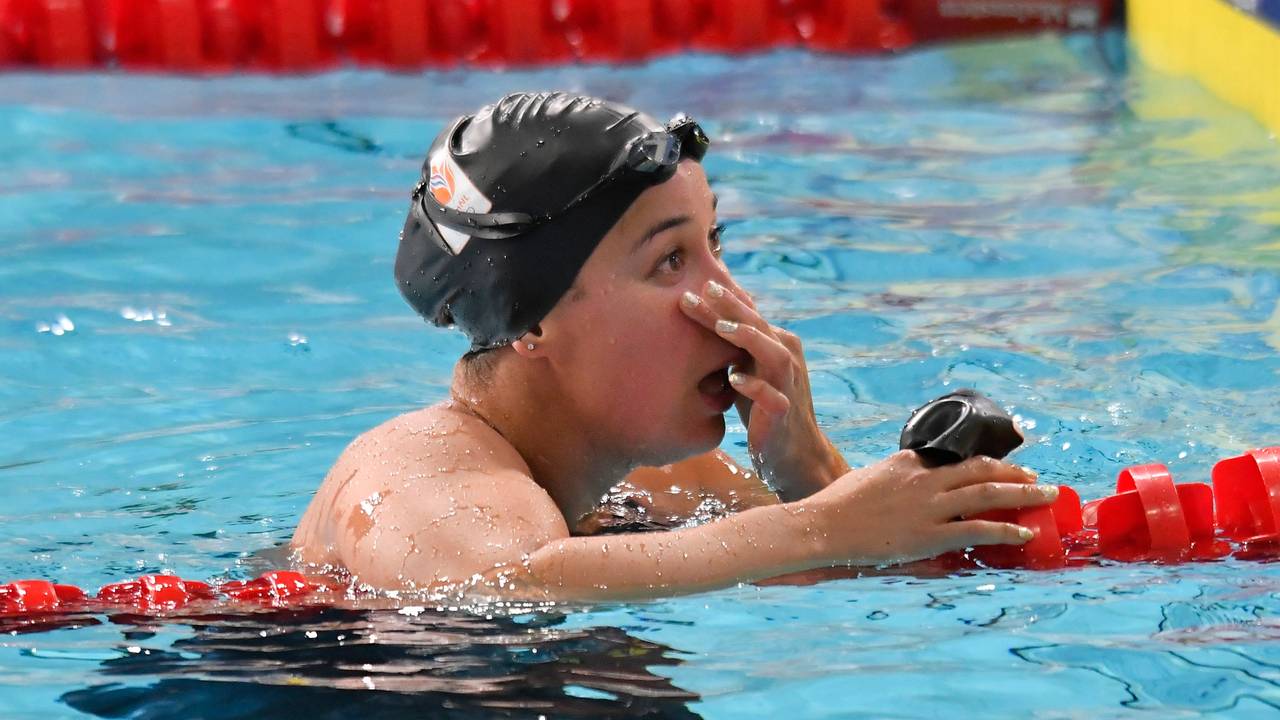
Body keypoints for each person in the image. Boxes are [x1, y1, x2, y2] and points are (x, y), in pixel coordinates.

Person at [290, 92, 1057, 601]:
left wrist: (808, 471)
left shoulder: (660, 482)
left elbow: (872, 546)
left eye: (714, 244)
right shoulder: (414, 464)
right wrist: (819, 525)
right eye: (669, 262)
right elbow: (507, 581)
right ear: (531, 322)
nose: (732, 301)